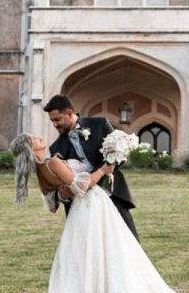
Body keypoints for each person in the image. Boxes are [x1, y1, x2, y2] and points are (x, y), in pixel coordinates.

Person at [0, 134, 185, 293]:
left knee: (97, 253)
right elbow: (82, 185)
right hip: (91, 206)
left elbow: (53, 203)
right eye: (34, 139)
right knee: (111, 250)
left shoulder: (41, 172)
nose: (39, 138)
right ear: (31, 148)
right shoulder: (52, 162)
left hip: (79, 215)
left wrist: (64, 191)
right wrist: (104, 170)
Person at [43, 94, 139, 240]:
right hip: (84, 204)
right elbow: (63, 183)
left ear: (69, 114)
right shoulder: (56, 148)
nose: (55, 124)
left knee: (129, 243)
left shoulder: (100, 124)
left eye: (57, 119)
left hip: (113, 195)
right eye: (52, 121)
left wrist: (108, 168)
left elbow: (120, 152)